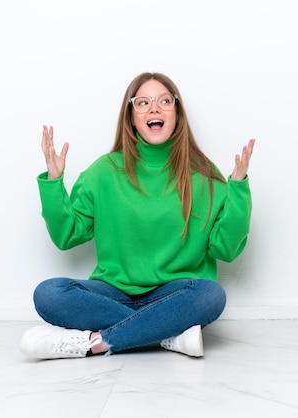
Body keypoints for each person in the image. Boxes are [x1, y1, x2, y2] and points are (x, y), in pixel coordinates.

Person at [20, 72, 255, 359]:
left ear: (177, 113)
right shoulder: (103, 172)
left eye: (164, 101)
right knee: (49, 294)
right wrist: (54, 182)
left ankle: (96, 342)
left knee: (210, 295)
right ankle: (166, 333)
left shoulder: (204, 175)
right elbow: (66, 235)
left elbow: (227, 250)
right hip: (113, 291)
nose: (154, 108)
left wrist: (239, 190)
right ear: (131, 117)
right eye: (143, 102)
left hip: (175, 292)